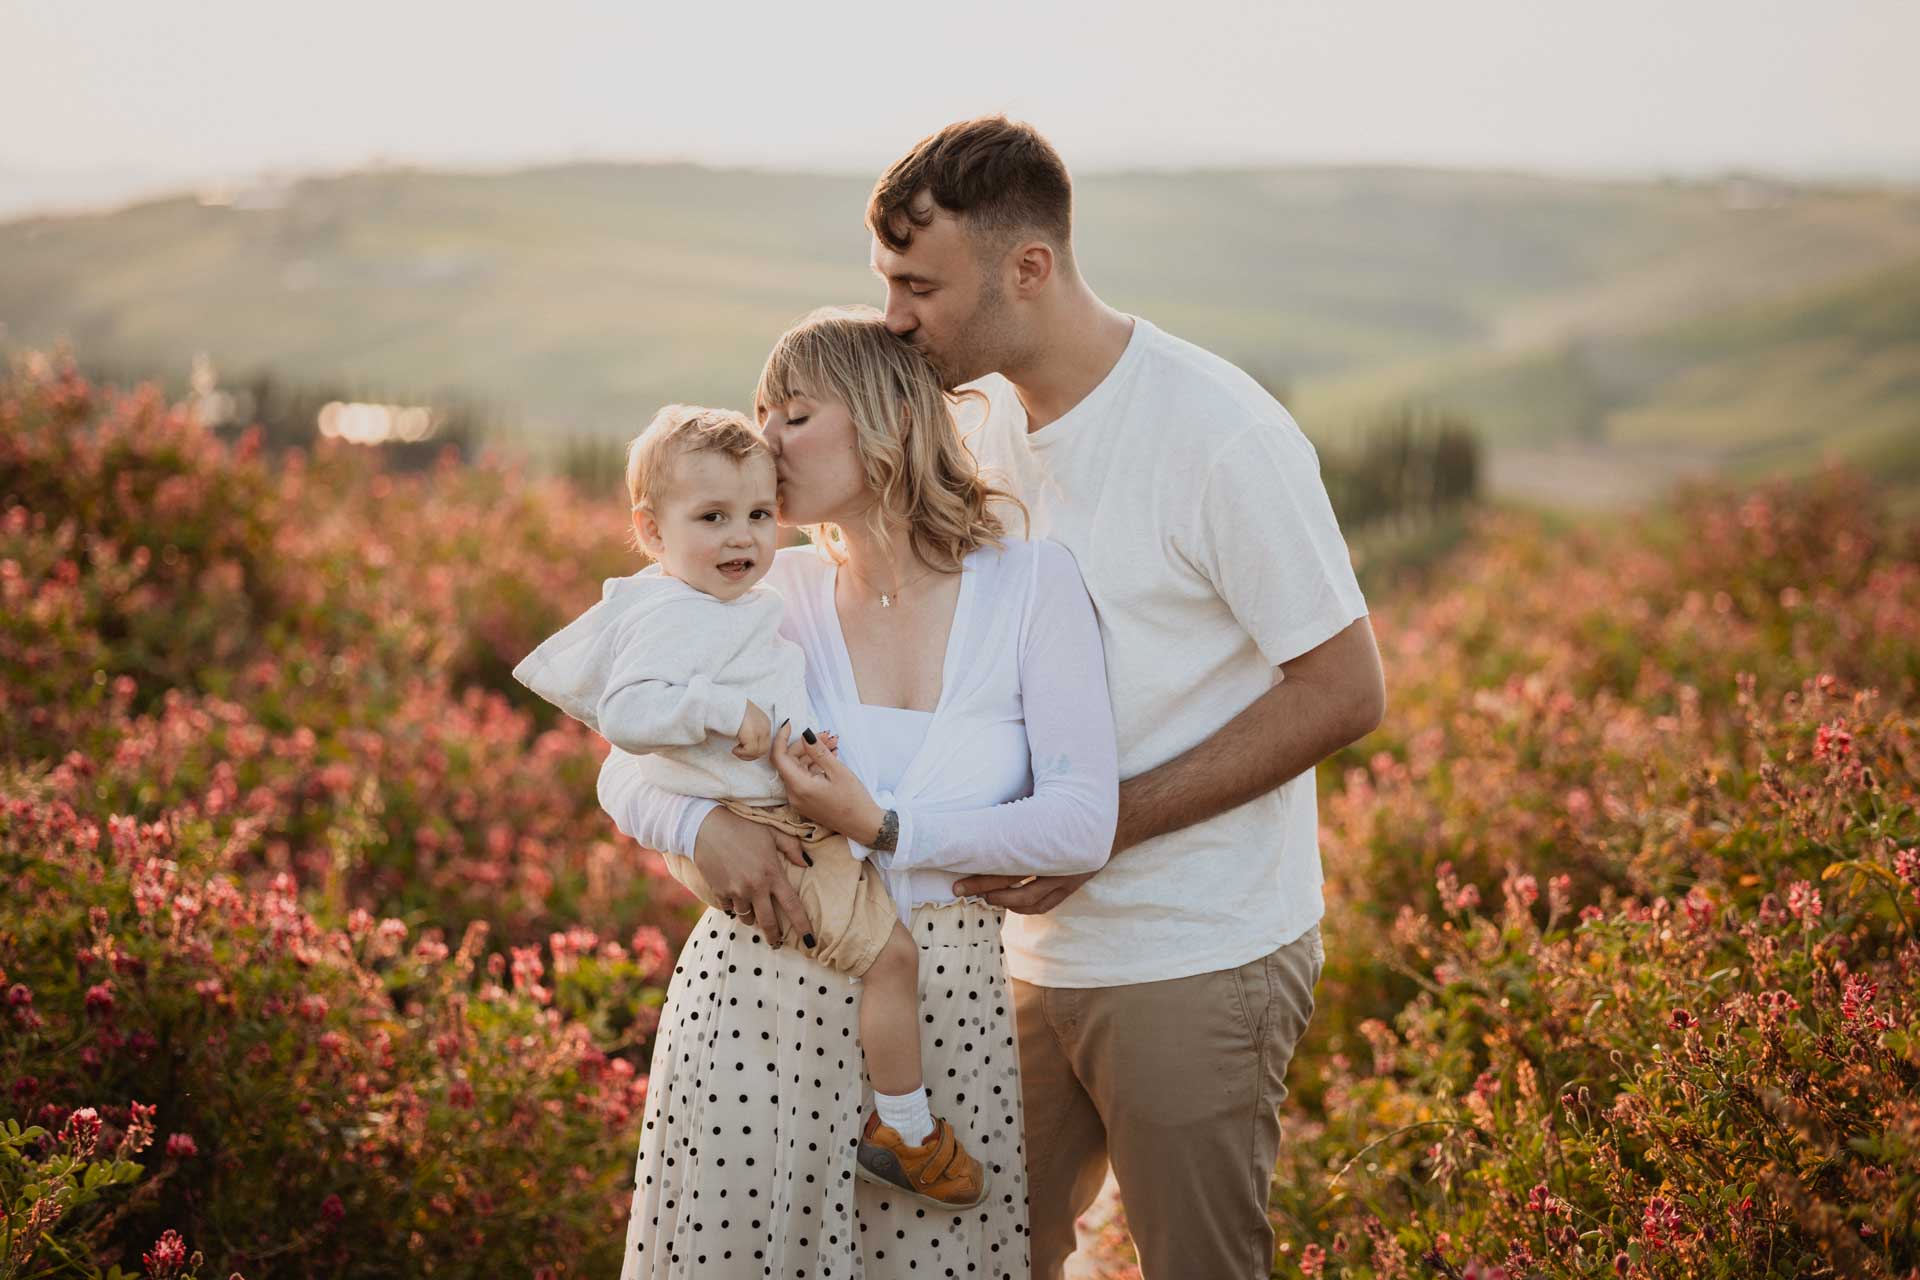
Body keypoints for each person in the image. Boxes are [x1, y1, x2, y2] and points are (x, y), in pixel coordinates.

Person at [866, 117, 1388, 1279]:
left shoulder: (1220, 434)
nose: (897, 316)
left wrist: (1104, 824)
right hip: (1017, 953)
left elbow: (1347, 689)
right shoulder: (977, 422)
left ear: (1029, 269)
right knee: (975, 1253)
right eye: (888, 285)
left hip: (1194, 947)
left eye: (919, 286)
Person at [597, 306, 1120, 1278]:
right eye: (762, 411)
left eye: (792, 411)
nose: (764, 439)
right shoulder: (765, 590)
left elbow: (1084, 819)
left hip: (946, 1009)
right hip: (757, 998)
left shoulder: (1032, 585)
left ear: (885, 418)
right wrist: (702, 827)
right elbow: (623, 759)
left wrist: (884, 826)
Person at [512, 403, 987, 1210]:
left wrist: (798, 743)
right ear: (651, 531)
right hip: (774, 838)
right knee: (892, 959)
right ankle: (905, 1131)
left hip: (788, 819)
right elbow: (628, 723)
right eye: (713, 518)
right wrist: (728, 731)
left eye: (760, 515)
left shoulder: (736, 601)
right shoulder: (675, 612)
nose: (742, 538)